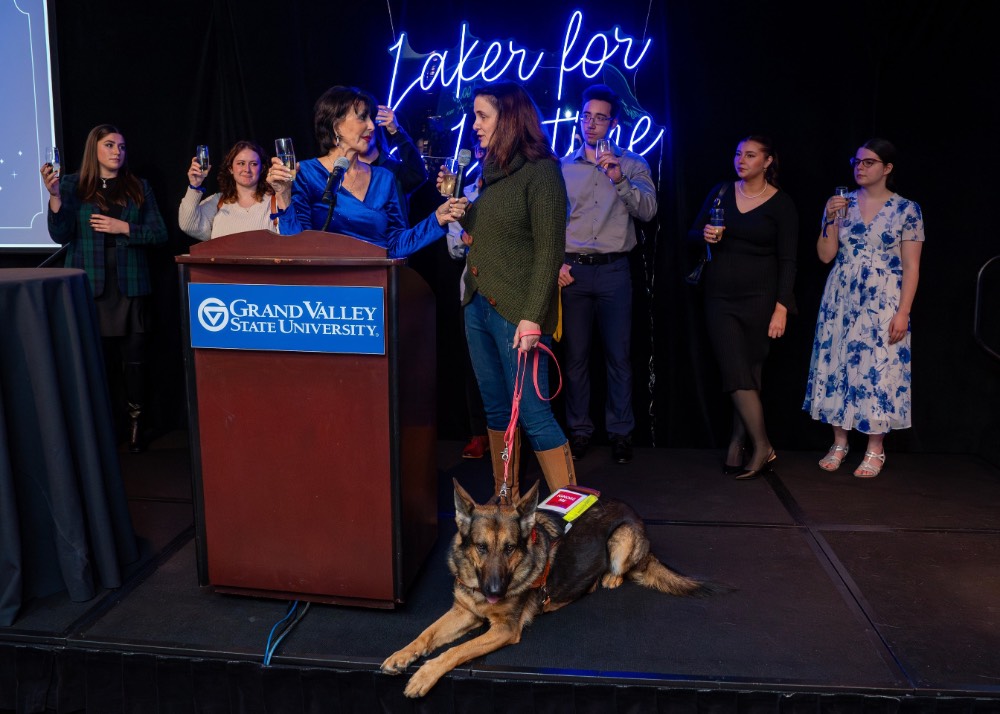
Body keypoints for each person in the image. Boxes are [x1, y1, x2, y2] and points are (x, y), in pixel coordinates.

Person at [455, 81, 573, 501]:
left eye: (482, 116)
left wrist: (533, 316)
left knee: (535, 414)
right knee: (496, 412)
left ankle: (572, 516)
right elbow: (493, 236)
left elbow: (548, 251)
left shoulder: (542, 172)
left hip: (517, 311)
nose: (475, 125)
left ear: (508, 118)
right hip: (478, 307)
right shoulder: (494, 173)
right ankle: (507, 502)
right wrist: (465, 214)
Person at [41, 123, 168, 452]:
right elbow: (60, 234)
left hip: (130, 286)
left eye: (122, 146)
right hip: (89, 286)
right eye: (110, 145)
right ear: (94, 149)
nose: (117, 151)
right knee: (96, 363)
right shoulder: (71, 185)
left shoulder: (139, 186)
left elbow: (159, 233)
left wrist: (123, 227)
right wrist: (54, 198)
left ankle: (136, 427)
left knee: (135, 362)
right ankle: (101, 428)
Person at [803, 138, 924, 478]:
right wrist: (828, 220)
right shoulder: (841, 202)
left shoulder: (907, 209)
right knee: (838, 361)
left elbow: (912, 266)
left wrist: (903, 311)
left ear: (887, 168)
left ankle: (875, 448)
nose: (860, 167)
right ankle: (839, 442)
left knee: (880, 368)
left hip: (884, 295)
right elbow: (826, 255)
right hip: (842, 293)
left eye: (869, 162)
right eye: (857, 161)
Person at [557, 84, 658, 465]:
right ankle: (579, 432)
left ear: (613, 123)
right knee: (576, 358)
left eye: (601, 117)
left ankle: (620, 433)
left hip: (616, 271)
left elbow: (648, 211)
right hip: (574, 273)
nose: (592, 123)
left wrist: (618, 179)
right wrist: (556, 265)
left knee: (619, 358)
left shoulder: (632, 164)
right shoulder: (562, 167)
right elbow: (548, 222)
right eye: (587, 116)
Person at [687, 135, 798, 480]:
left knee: (748, 374)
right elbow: (692, 233)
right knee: (735, 370)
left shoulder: (781, 204)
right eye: (738, 154)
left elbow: (788, 260)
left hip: (761, 300)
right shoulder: (721, 191)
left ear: (767, 162)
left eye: (750, 155)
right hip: (720, 296)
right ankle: (763, 445)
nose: (741, 160)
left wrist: (782, 307)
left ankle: (737, 445)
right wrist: (703, 233)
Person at [266, 85, 466, 257]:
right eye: (362, 117)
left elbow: (396, 246)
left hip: (374, 290)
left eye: (371, 118)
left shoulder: (384, 178)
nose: (371, 126)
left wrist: (437, 219)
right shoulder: (306, 173)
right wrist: (283, 194)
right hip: (324, 292)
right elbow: (295, 245)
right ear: (336, 125)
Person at [445, 146, 488, 459]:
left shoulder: (518, 188)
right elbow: (455, 248)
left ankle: (515, 438)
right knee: (475, 367)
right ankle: (478, 434)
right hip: (472, 290)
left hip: (510, 289)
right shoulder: (463, 194)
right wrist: (465, 240)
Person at [178, 140, 276, 241]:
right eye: (241, 163)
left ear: (262, 168)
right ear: (231, 168)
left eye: (253, 164)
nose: (247, 169)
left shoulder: (274, 202)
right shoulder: (218, 201)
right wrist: (195, 185)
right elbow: (188, 225)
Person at [361, 102, 428, 218]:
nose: (367, 127)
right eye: (360, 119)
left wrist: (397, 131)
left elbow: (418, 174)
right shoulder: (343, 171)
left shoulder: (392, 171)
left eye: (369, 119)